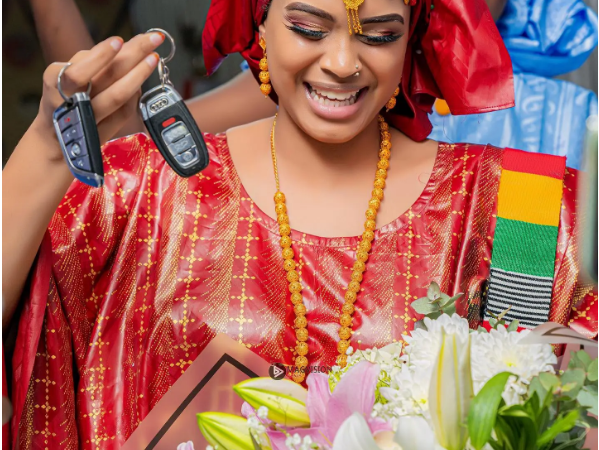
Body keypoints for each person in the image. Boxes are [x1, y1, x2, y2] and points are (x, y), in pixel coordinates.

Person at [2, 1, 596, 449]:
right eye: (309, 29)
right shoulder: (141, 186)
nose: (341, 64)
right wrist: (44, 155)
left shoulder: (519, 202)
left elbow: (564, 406)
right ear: (258, 23)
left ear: (414, 36)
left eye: (381, 35)